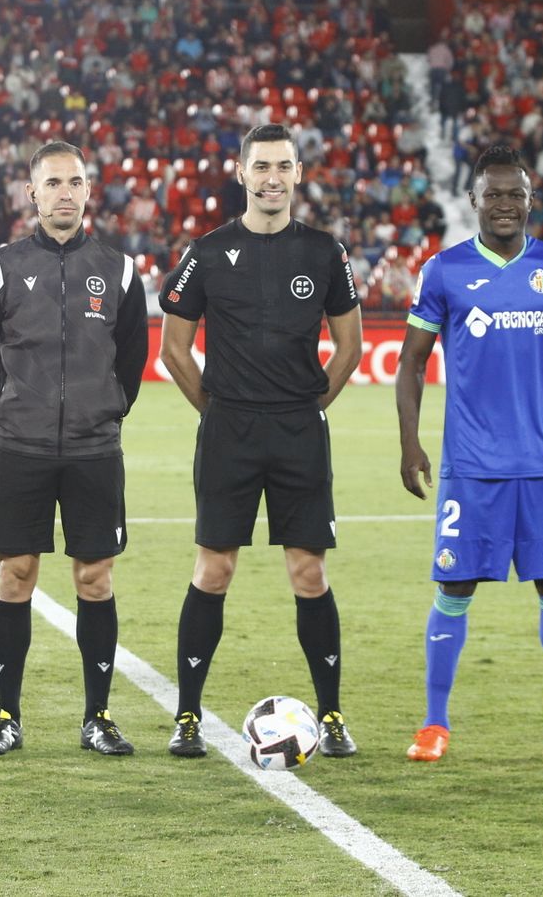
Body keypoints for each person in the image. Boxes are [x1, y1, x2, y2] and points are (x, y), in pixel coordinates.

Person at [396, 144, 543, 765]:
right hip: (471, 465)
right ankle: (434, 725)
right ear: (473, 201)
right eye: (492, 194)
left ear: (530, 199)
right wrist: (410, 441)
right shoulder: (443, 271)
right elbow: (411, 362)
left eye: (514, 194)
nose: (503, 204)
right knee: (454, 584)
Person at [157, 122, 364, 758]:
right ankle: (187, 717)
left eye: (283, 166)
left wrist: (306, 407)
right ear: (241, 173)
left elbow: (350, 347)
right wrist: (217, 411)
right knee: (213, 570)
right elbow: (173, 347)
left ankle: (330, 717)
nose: (272, 178)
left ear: (298, 173)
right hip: (230, 431)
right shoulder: (209, 250)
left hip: (299, 429)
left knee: (309, 571)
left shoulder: (324, 253)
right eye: (261, 167)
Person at [0, 141, 149, 756]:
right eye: (53, 183)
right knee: (16, 576)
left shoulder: (119, 269)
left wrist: (105, 410)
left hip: (96, 450)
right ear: (32, 193)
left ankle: (98, 717)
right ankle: (4, 715)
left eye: (75, 182)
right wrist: (7, 415)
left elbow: (133, 359)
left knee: (95, 579)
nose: (64, 193)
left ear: (88, 192)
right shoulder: (1, 266)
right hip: (21, 447)